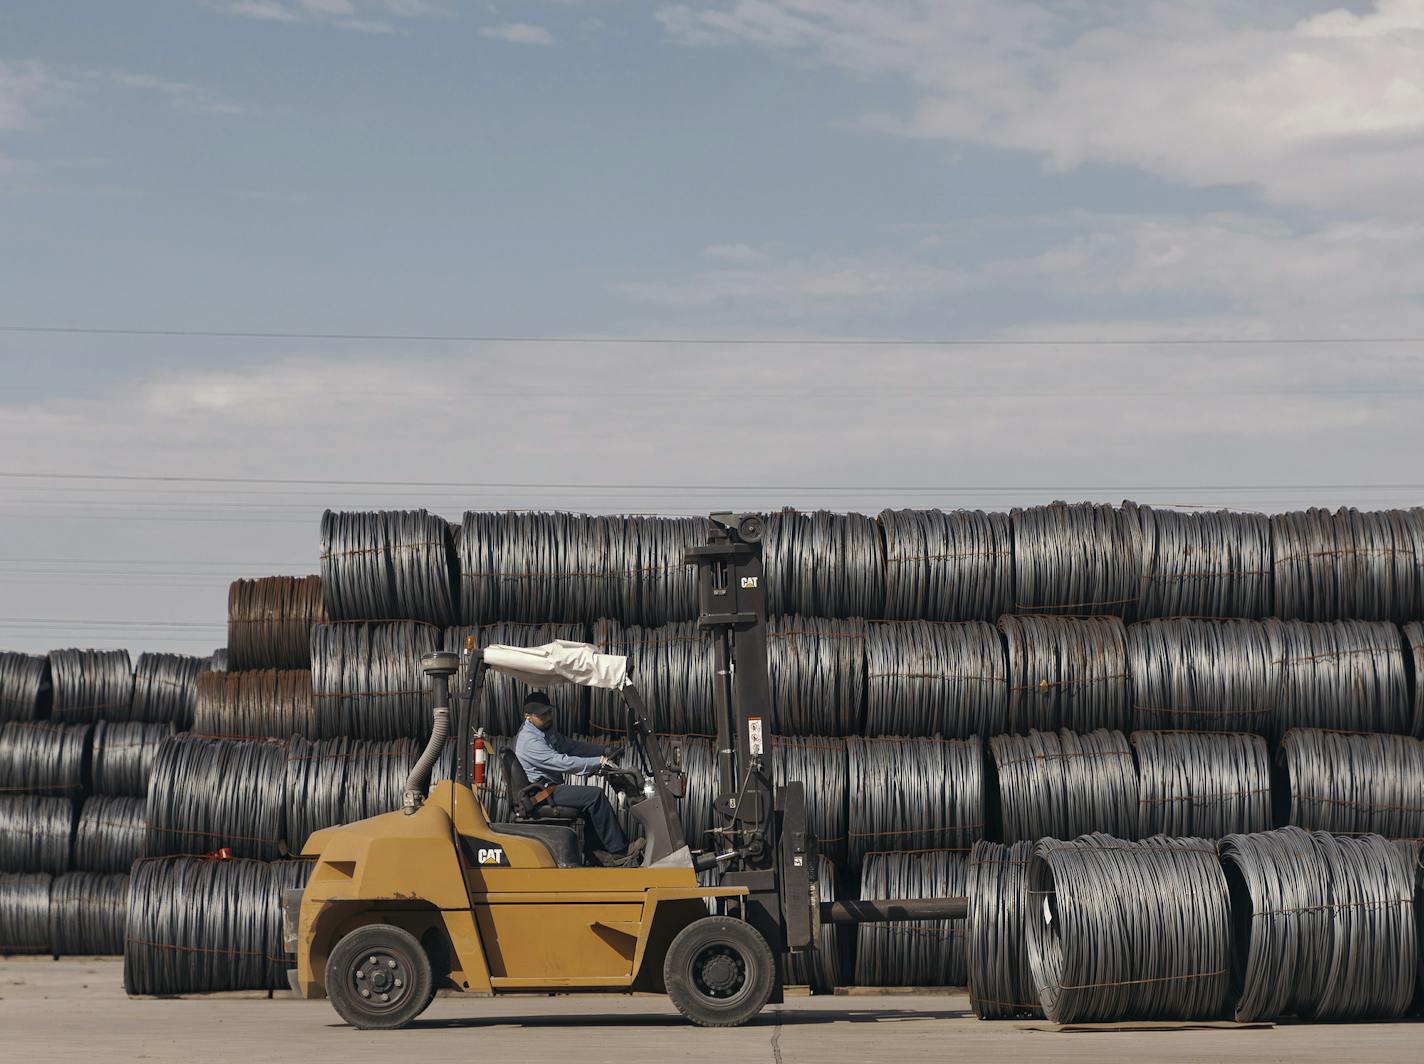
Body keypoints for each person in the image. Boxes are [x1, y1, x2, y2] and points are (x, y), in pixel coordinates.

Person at [513, 691, 646, 867]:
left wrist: (602, 751)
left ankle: (597, 854)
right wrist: (597, 763)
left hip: (548, 789)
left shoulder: (544, 731)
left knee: (589, 801)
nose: (548, 717)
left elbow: (570, 747)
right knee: (594, 796)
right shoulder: (529, 741)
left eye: (549, 712)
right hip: (540, 794)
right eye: (542, 714)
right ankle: (619, 850)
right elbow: (562, 763)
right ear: (528, 716)